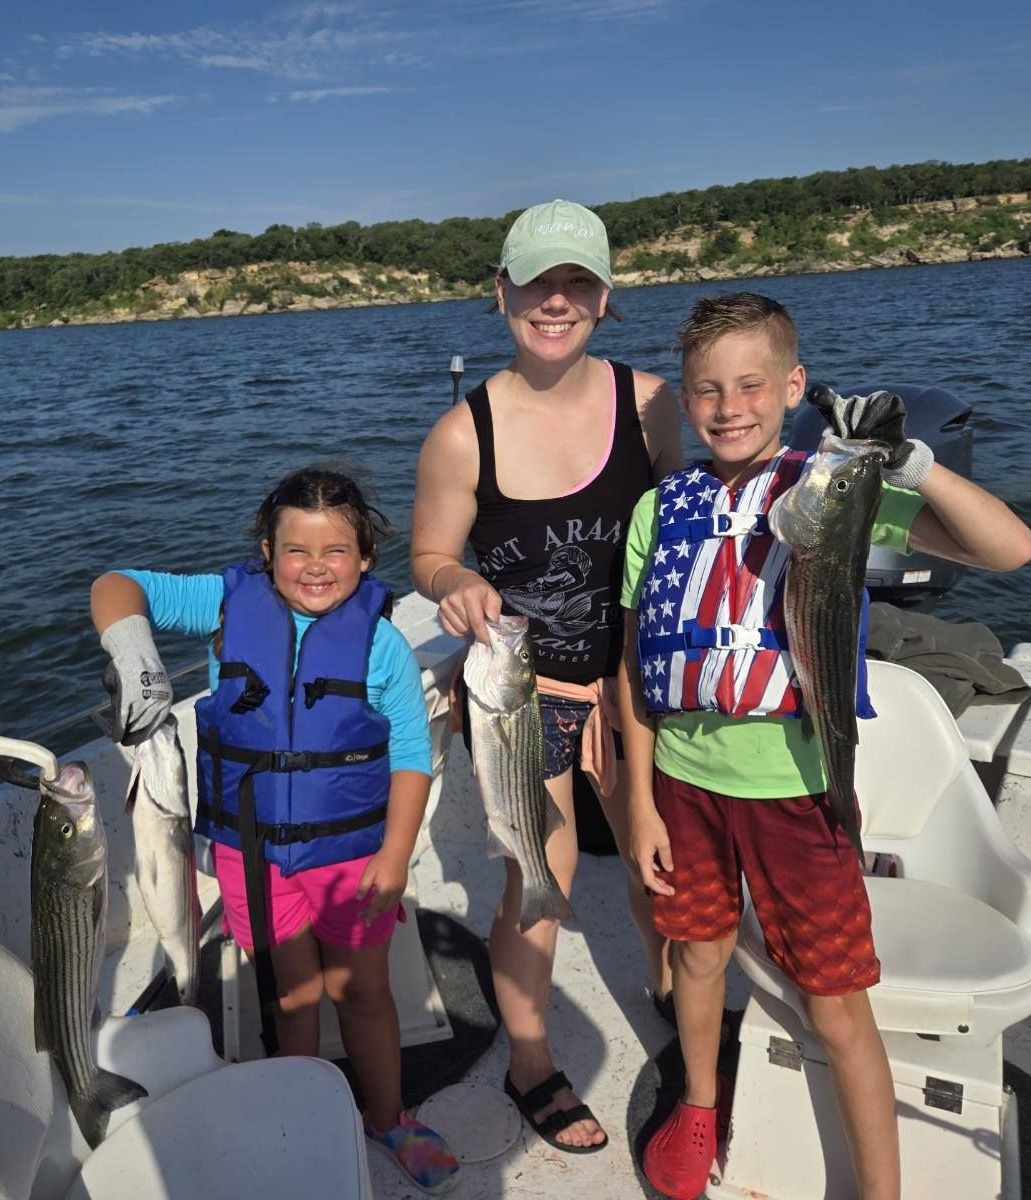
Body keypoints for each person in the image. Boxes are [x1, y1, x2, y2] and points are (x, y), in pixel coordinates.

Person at [619, 292, 1031, 1199]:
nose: (729, 407)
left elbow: (1008, 550)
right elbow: (631, 664)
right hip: (684, 779)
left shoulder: (833, 489)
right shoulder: (663, 508)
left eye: (752, 385)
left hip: (801, 786)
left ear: (794, 387)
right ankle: (698, 1100)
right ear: (685, 402)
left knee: (837, 1000)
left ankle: (880, 1189)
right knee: (697, 953)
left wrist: (912, 466)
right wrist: (641, 799)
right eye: (706, 390)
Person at [90, 466, 461, 1194]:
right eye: (296, 551)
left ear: (364, 558)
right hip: (252, 855)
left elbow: (413, 756)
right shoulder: (228, 605)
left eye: (336, 553)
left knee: (365, 995)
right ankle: (292, 1113)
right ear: (266, 550)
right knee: (289, 999)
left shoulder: (381, 645)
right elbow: (116, 585)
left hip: (353, 858)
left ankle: (386, 1115)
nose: (316, 569)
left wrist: (395, 852)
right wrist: (132, 650)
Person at [410, 198, 684, 1152]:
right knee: (543, 872)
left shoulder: (655, 406)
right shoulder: (462, 432)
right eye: (537, 283)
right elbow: (430, 555)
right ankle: (531, 1061)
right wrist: (458, 586)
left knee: (664, 857)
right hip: (532, 692)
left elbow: (687, 541)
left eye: (576, 283)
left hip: (637, 686)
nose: (555, 301)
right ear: (502, 294)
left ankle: (673, 1003)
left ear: (605, 298)